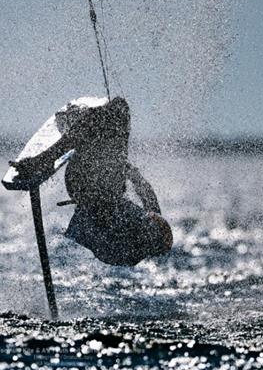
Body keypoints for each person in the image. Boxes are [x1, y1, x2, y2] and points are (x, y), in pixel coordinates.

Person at [10, 97, 172, 266]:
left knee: (103, 125)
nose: (147, 215)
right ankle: (79, 123)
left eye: (147, 220)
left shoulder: (122, 251)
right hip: (105, 180)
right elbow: (143, 187)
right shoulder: (150, 220)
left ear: (144, 236)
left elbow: (85, 233)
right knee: (119, 108)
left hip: (82, 186)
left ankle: (45, 157)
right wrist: (124, 167)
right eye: (150, 216)